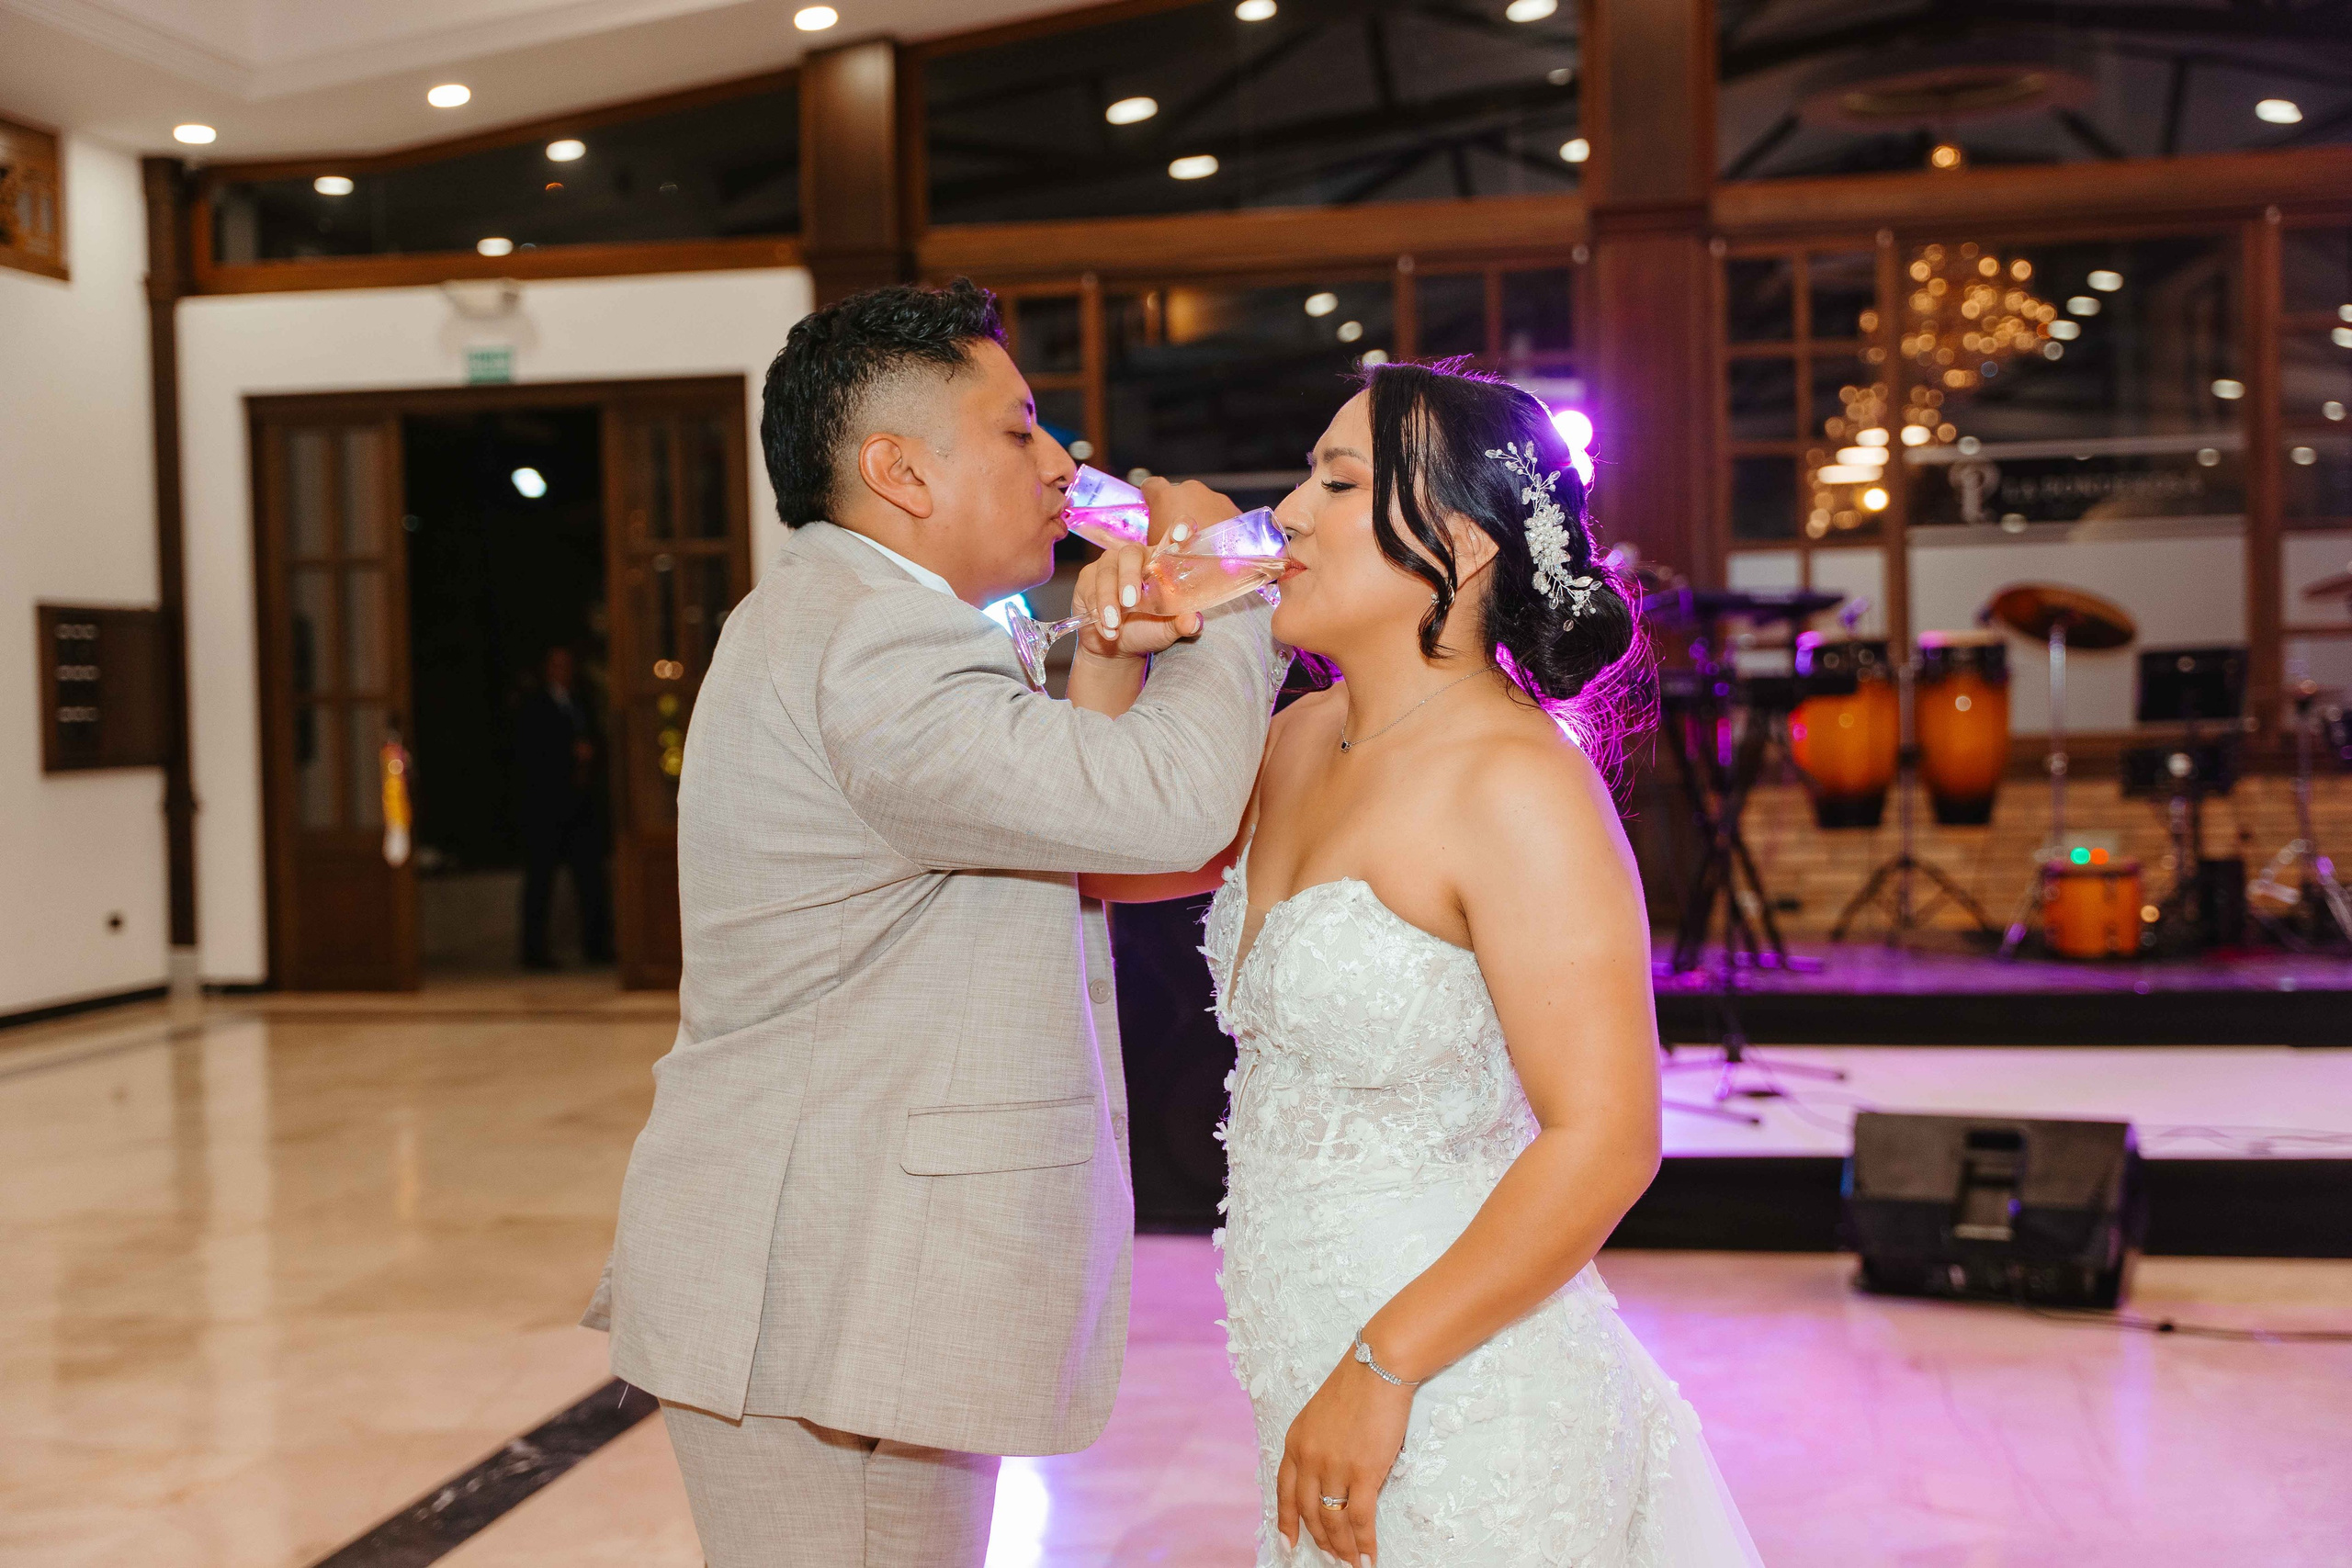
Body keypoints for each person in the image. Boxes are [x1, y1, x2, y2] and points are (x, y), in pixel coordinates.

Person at [581, 278, 1287, 1568]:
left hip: (850, 1260)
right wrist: (1227, 585)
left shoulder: (853, 615)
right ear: (898, 470)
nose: (1062, 464)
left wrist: (1115, 654)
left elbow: (1081, 840)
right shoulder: (875, 640)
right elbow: (1162, 810)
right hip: (823, 1267)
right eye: (1018, 429)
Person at [1077, 364, 1765, 1565]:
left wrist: (1381, 1367)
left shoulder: (1517, 781)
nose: (1287, 513)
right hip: (1306, 1378)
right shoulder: (1297, 739)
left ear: (1462, 542)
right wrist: (1109, 656)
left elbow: (1607, 1138)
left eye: (1337, 482)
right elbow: (1101, 860)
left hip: (1463, 1394)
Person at [512, 644, 612, 969]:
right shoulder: (535, 705)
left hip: (581, 804)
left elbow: (598, 741)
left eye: (568, 665)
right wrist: (570, 753)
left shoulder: (582, 702)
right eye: (557, 665)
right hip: (547, 806)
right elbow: (530, 752)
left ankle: (597, 947)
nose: (564, 671)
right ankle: (533, 952)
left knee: (590, 878)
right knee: (541, 879)